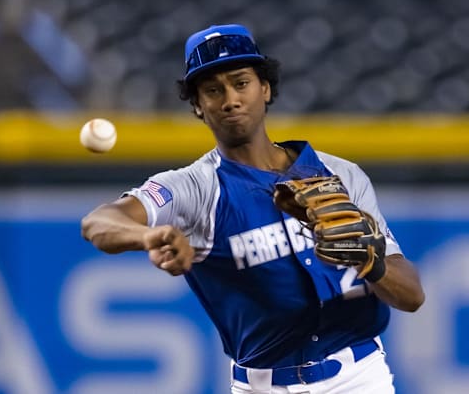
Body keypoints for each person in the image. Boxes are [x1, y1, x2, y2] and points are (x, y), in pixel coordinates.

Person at [81, 23, 424, 394]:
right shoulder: (196, 188)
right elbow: (98, 223)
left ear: (266, 88)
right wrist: (149, 235)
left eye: (241, 83)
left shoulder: (340, 174)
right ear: (197, 105)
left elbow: (411, 296)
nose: (230, 99)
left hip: (359, 378)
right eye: (213, 90)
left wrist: (367, 259)